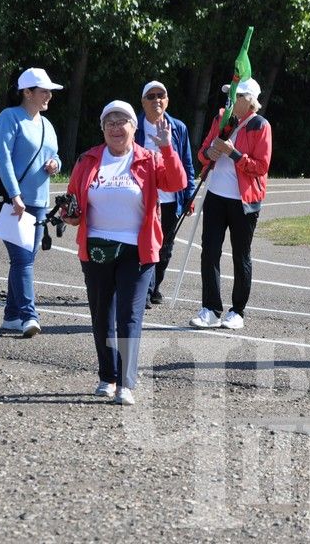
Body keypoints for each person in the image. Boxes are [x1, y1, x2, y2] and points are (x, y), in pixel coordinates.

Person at [63, 100, 186, 404]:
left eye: (123, 122)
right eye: (110, 123)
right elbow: (73, 203)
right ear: (103, 129)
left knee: (129, 315)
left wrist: (168, 149)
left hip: (137, 249)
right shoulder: (88, 159)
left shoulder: (150, 158)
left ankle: (126, 383)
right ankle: (107, 376)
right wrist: (69, 212)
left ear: (134, 127)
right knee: (102, 315)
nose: (116, 128)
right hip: (97, 247)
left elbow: (177, 182)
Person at [189, 78, 272, 330]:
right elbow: (203, 151)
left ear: (251, 101)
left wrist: (233, 153)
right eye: (231, 94)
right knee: (209, 252)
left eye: (238, 95)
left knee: (241, 256)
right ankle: (211, 309)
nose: (233, 98)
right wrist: (209, 154)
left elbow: (261, 167)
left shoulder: (260, 125)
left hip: (244, 202)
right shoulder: (222, 119)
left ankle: (237, 311)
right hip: (215, 195)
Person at [0, 67, 63, 338]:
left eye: (50, 92)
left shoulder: (47, 125)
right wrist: (15, 195)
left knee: (25, 259)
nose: (49, 96)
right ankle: (29, 316)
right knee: (22, 259)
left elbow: (54, 155)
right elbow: (2, 159)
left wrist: (56, 164)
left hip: (38, 200)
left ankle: (11, 316)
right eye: (44, 91)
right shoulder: (9, 118)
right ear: (27, 92)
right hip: (8, 199)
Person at [134, 80, 195, 307]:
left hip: (171, 199)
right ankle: (145, 292)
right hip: (142, 199)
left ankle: (155, 285)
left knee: (165, 247)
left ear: (167, 100)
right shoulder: (134, 127)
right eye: (151, 96)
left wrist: (189, 195)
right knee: (145, 245)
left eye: (161, 95)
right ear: (143, 102)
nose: (156, 100)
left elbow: (187, 164)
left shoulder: (178, 127)